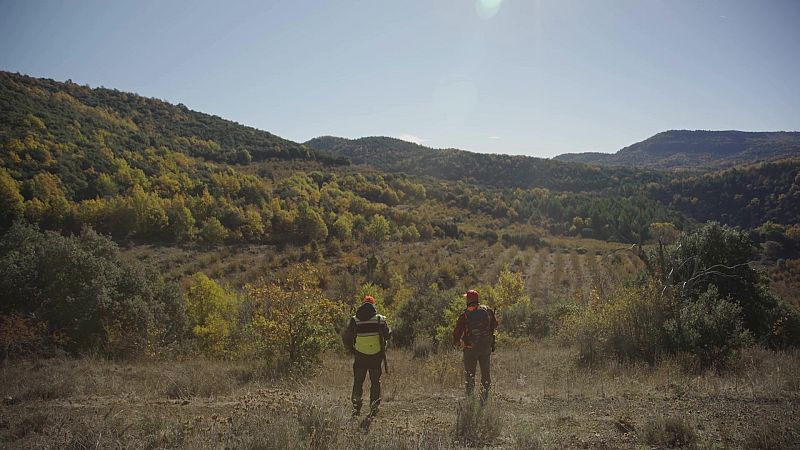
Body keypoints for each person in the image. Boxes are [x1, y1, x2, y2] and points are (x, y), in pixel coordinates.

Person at [342, 295, 391, 419]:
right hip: (376, 357)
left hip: (360, 357)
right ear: (373, 305)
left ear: (362, 305)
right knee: (375, 382)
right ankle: (374, 408)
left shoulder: (354, 320)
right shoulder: (380, 319)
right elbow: (387, 336)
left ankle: (356, 407)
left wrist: (353, 350)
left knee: (358, 382)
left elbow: (346, 338)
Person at [453, 289, 498, 403]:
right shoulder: (487, 311)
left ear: (468, 300)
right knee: (486, 375)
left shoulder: (464, 316)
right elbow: (495, 324)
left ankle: (470, 401)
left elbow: (456, 334)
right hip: (485, 348)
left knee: (470, 376)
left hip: (470, 350)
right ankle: (484, 400)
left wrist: (459, 343)